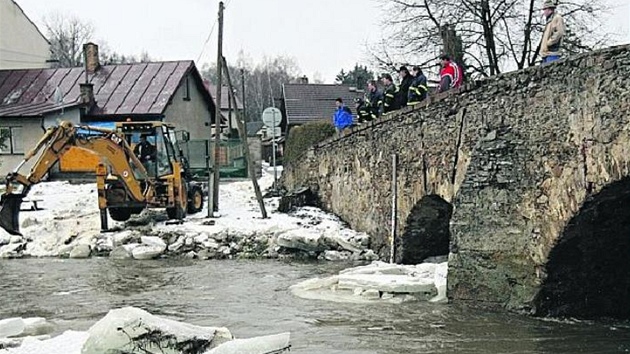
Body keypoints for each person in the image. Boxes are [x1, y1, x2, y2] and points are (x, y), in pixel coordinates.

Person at [540, 0, 566, 64]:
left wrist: (549, 43)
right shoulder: (549, 21)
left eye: (545, 10)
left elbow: (559, 32)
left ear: (549, 9)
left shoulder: (557, 18)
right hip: (546, 54)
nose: (544, 12)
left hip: (553, 53)